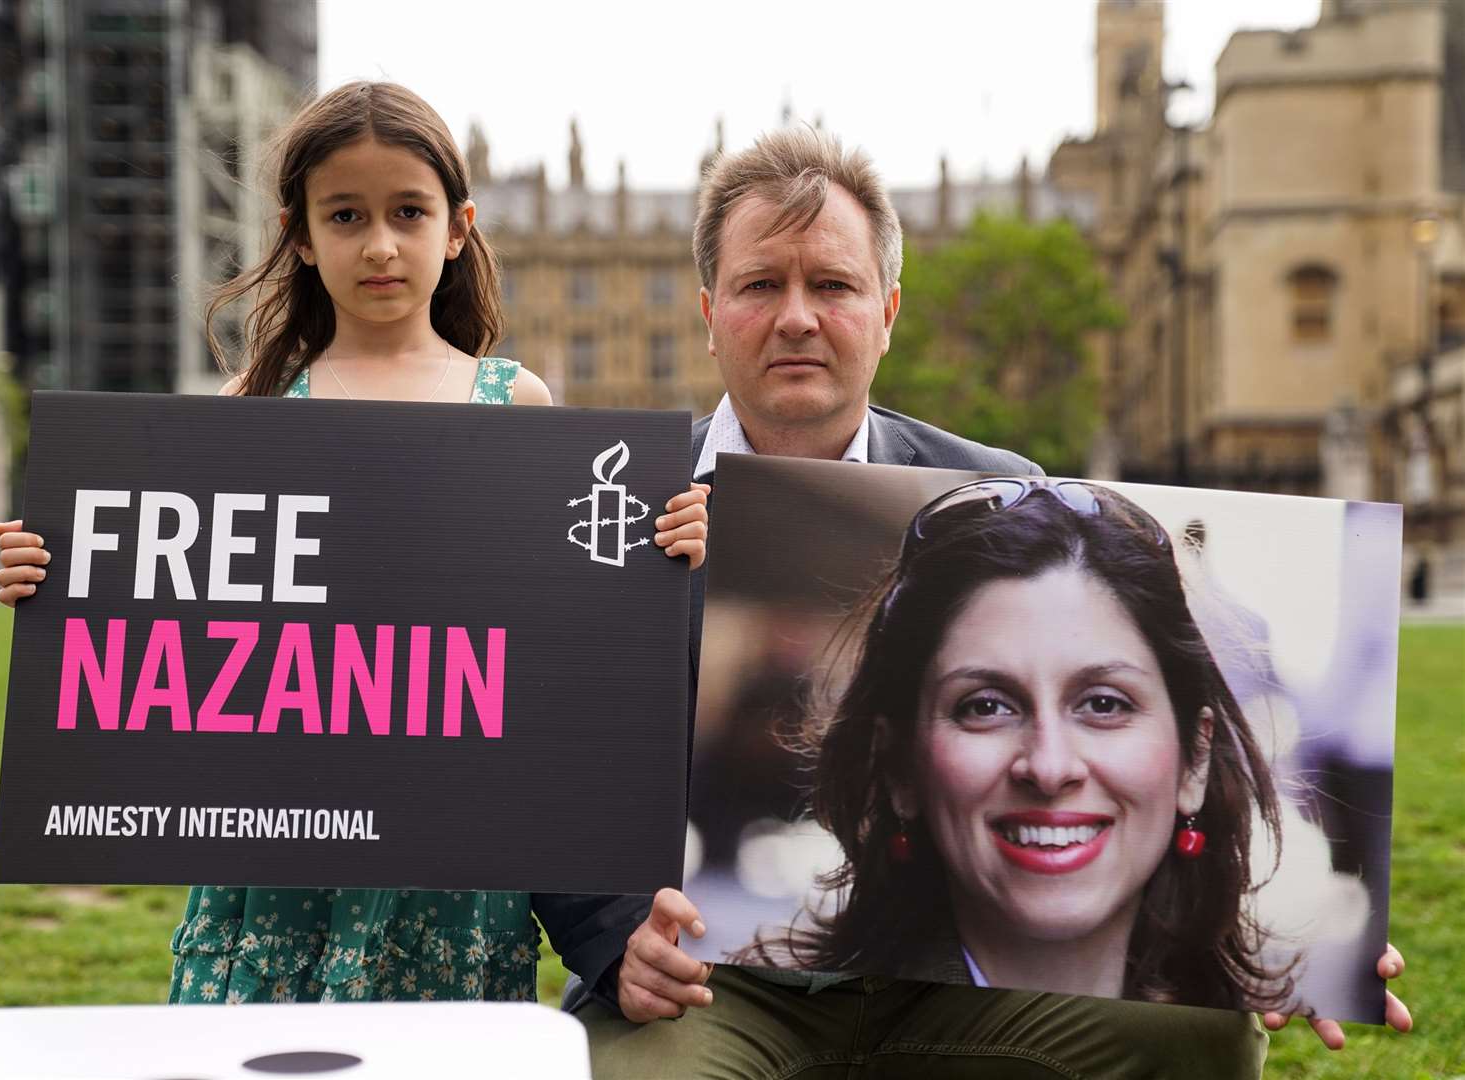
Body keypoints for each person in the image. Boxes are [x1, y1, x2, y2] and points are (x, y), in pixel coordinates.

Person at [575, 127, 1411, 1079]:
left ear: (887, 312)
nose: (798, 318)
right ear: (709, 310)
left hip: (956, 976)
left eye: (834, 286)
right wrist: (612, 942)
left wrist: (1330, 959)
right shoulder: (611, 503)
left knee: (1205, 1034)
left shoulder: (1004, 488)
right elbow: (539, 774)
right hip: (710, 982)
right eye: (762, 284)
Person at [0, 80, 710, 1006]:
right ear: (300, 235)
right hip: (283, 855)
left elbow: (562, 632)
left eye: (408, 212)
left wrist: (662, 544)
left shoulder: (515, 405)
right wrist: (56, 579)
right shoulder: (252, 409)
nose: (379, 244)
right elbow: (179, 612)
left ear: (457, 228)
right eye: (346, 215)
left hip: (450, 860)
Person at [737, 477, 1297, 1012]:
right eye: (985, 706)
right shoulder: (769, 1014)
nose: (1049, 768)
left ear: (1194, 760)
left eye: (1104, 703)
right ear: (900, 767)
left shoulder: (1255, 1031)